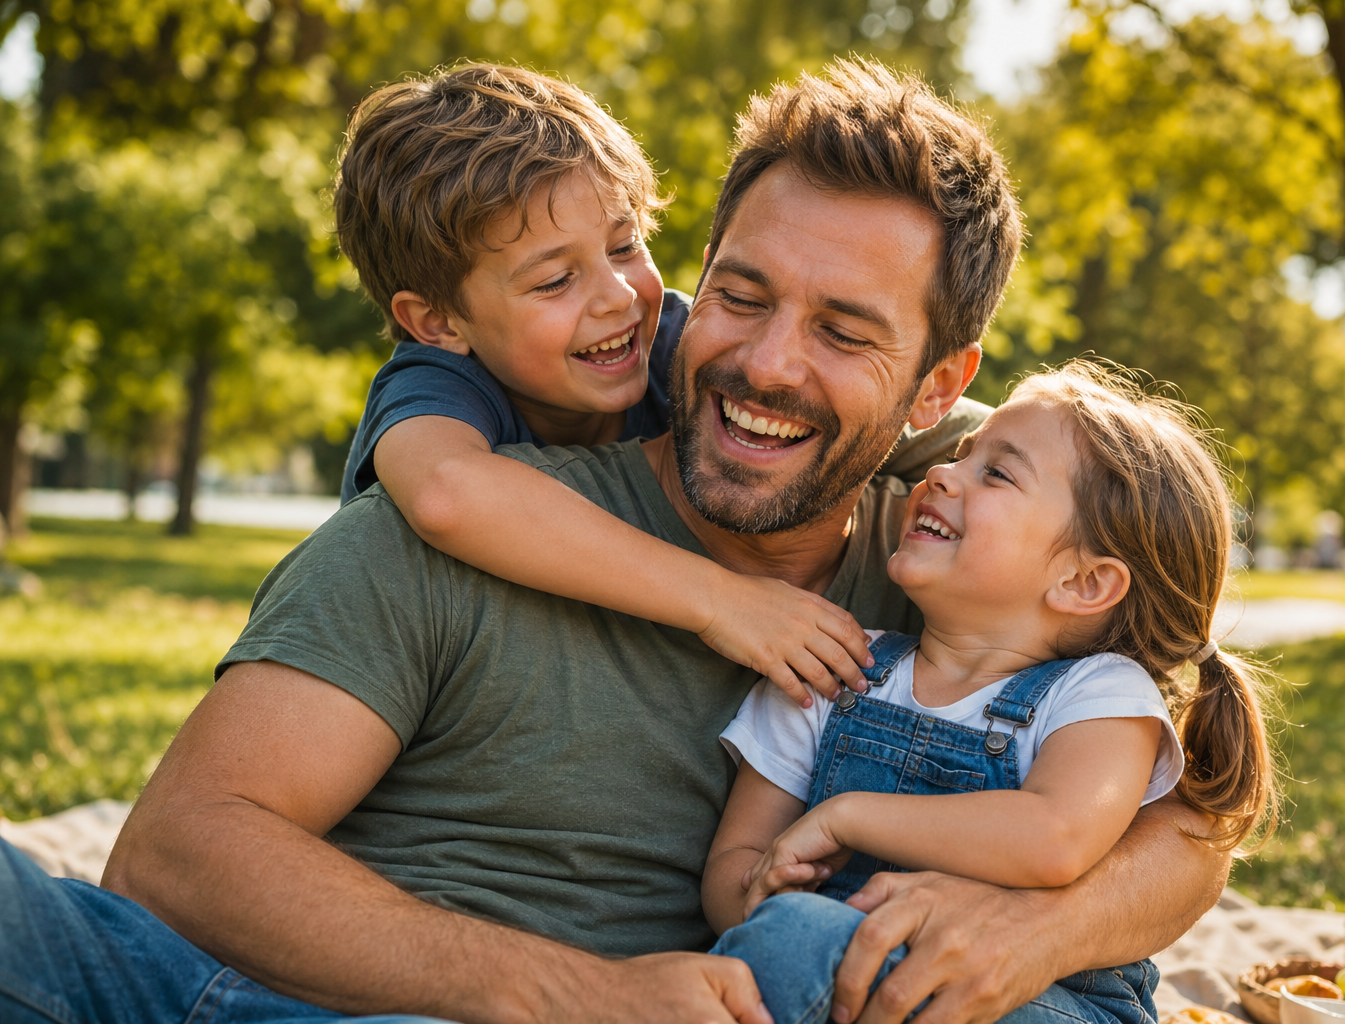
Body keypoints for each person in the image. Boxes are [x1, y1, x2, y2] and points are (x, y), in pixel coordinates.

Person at [0, 60, 1230, 1024]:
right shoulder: (470, 514)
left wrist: (1040, 932)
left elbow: (1193, 807)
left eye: (846, 333)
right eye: (741, 295)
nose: (764, 364)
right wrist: (575, 996)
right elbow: (179, 850)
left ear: (936, 387)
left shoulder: (965, 556)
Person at [333, 62, 961, 702]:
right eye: (554, 280)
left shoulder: (677, 341)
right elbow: (448, 495)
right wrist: (722, 602)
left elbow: (934, 418)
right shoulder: (437, 383)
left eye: (625, 246)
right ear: (437, 320)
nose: (619, 295)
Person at [702, 362, 1278, 1024]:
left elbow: (1054, 836)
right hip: (848, 976)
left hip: (1046, 1003)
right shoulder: (834, 668)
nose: (941, 475)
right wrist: (759, 891)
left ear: (1083, 583)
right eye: (961, 456)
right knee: (783, 940)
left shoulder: (1099, 696)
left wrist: (847, 817)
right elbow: (733, 870)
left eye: (995, 474)